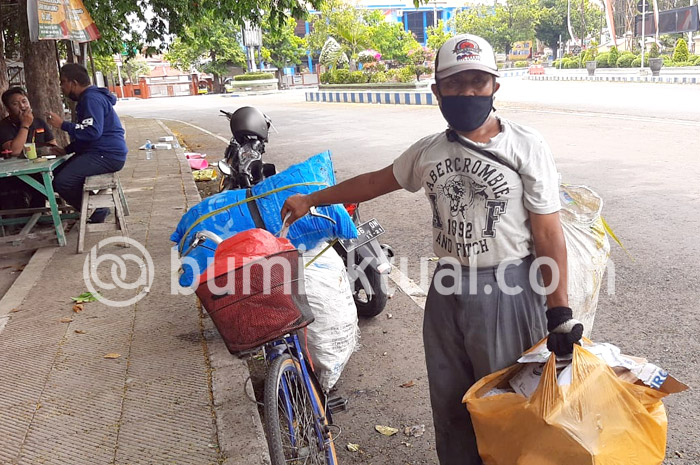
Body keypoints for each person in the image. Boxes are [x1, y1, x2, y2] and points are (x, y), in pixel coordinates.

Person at [281, 34, 583, 465]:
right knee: (451, 400)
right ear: (437, 91)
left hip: (508, 287)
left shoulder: (525, 146)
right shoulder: (429, 150)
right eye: (455, 84)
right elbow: (374, 182)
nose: (467, 93)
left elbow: (549, 232)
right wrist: (311, 199)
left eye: (477, 82)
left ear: (495, 87)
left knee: (507, 403)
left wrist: (559, 313)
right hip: (447, 288)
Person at [45, 63, 128, 223]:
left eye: (63, 82)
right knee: (55, 175)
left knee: (63, 182)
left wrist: (63, 124)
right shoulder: (88, 98)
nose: (62, 87)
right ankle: (94, 207)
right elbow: (87, 137)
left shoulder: (91, 99)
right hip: (98, 152)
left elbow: (92, 131)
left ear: (74, 83)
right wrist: (67, 150)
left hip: (107, 155)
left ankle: (97, 211)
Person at [0, 87, 62, 210]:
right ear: (8, 109)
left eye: (24, 101)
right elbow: (15, 151)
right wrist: (25, 125)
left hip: (40, 170)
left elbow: (53, 146)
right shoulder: (4, 126)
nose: (22, 106)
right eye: (15, 104)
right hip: (15, 176)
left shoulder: (39, 122)